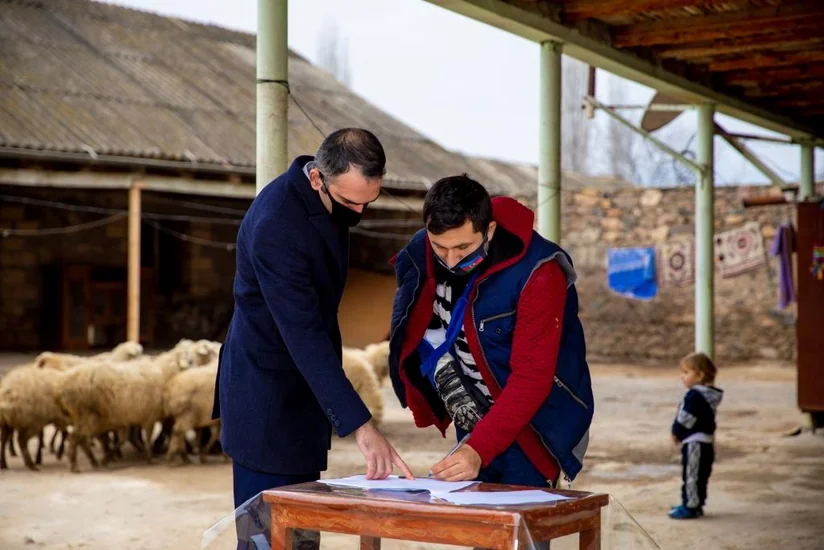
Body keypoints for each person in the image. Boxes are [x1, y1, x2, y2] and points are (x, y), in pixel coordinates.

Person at [212, 129, 414, 542]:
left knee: (302, 536)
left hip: (303, 400)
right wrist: (362, 426)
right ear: (318, 178)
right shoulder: (276, 226)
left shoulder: (330, 199)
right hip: (266, 400)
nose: (358, 210)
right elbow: (303, 333)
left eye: (368, 201)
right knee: (265, 539)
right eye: (350, 202)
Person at [388, 174, 593, 491]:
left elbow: (532, 378)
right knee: (474, 527)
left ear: (490, 231)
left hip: (532, 431)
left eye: (463, 248)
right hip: (473, 420)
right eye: (440, 248)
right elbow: (412, 330)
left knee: (519, 534)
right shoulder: (420, 253)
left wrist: (479, 448)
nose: (452, 260)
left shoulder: (539, 274)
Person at [669, 352, 723, 520]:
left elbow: (686, 418)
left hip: (694, 443)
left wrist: (676, 432)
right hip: (705, 443)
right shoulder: (709, 395)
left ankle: (690, 507)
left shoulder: (695, 395)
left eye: (686, 373)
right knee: (701, 475)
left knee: (691, 475)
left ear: (699, 375)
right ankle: (696, 503)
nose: (682, 377)